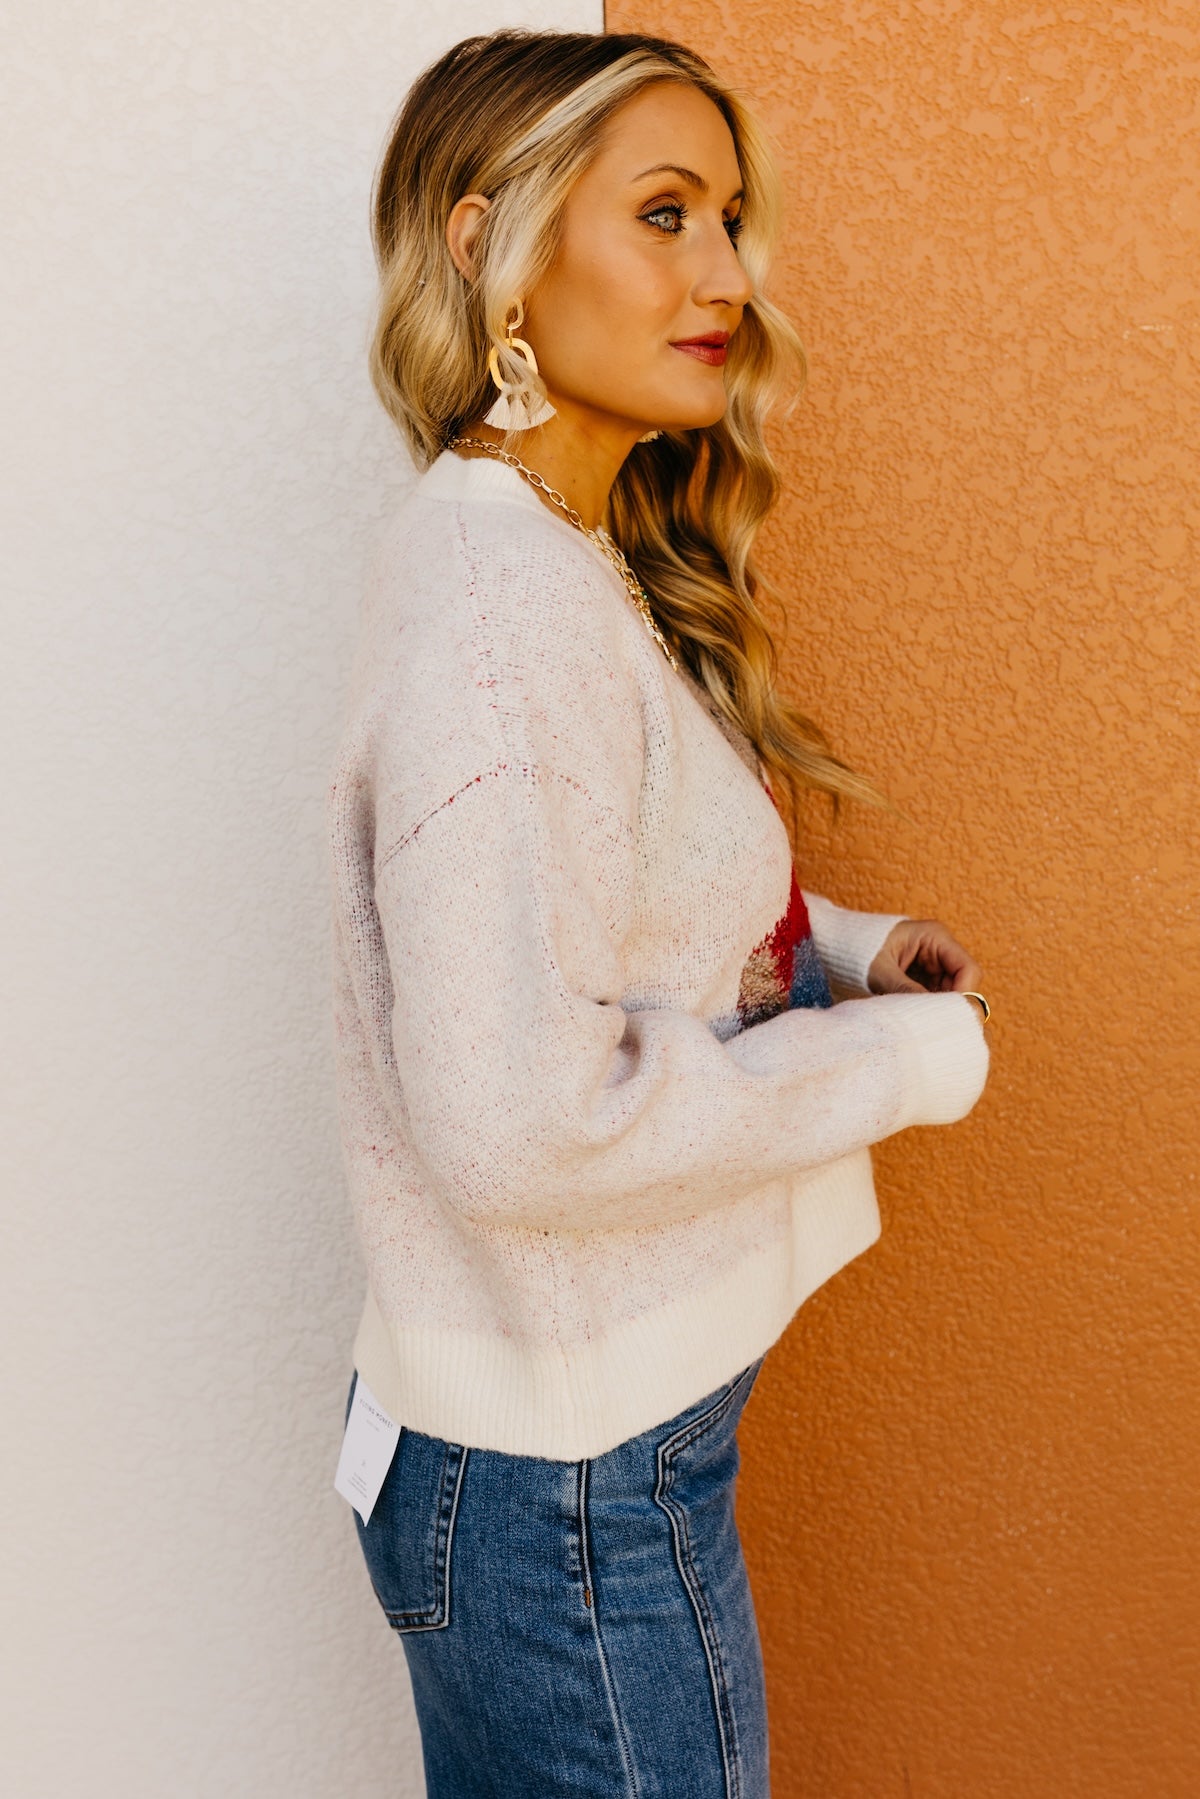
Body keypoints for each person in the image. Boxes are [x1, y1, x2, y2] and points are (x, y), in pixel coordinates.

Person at [326, 28, 991, 1798]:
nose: (729, 278)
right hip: (571, 1503)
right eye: (667, 214)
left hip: (567, 1475)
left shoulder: (546, 553)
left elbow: (588, 894)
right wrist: (900, 1064)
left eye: (731, 219)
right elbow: (518, 1119)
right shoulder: (504, 618)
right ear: (490, 247)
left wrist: (837, 952)